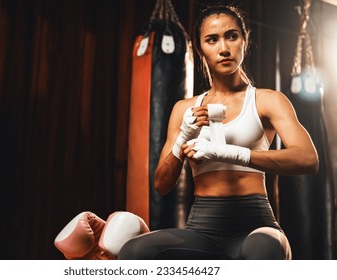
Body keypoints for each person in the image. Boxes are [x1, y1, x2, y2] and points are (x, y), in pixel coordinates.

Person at [118, 5, 319, 260]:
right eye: (212, 40)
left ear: (244, 41)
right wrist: (183, 139)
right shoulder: (184, 110)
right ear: (201, 48)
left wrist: (229, 153)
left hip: (256, 227)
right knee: (133, 251)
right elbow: (161, 184)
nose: (223, 48)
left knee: (265, 250)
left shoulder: (267, 100)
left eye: (231, 36)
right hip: (202, 230)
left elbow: (308, 159)